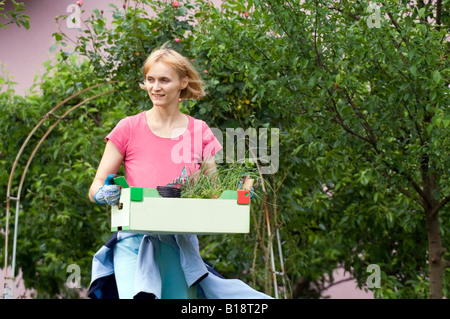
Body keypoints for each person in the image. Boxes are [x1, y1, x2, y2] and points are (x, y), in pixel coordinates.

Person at [87, 43, 272, 299]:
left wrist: (236, 198)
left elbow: (212, 192)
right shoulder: (128, 128)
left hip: (180, 245)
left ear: (183, 82)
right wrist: (102, 193)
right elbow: (95, 184)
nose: (155, 87)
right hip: (134, 242)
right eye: (150, 79)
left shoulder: (200, 131)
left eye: (164, 80)